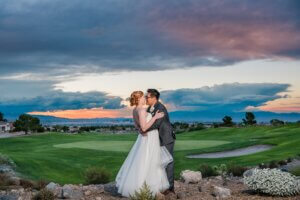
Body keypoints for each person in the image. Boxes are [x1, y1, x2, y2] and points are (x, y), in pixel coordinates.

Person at [115, 91, 173, 198]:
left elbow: (137, 126)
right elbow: (144, 127)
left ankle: (151, 187)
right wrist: (155, 117)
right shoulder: (141, 110)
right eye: (143, 97)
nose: (145, 98)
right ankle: (150, 188)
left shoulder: (135, 110)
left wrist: (140, 130)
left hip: (145, 137)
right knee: (149, 162)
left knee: (145, 161)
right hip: (149, 138)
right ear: (139, 99)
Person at [143, 88, 176, 194]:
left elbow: (156, 124)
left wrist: (144, 129)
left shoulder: (160, 108)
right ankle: (161, 185)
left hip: (166, 138)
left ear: (153, 97)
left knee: (168, 161)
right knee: (158, 162)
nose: (145, 98)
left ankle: (170, 188)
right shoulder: (150, 108)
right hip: (156, 139)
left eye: (147, 97)